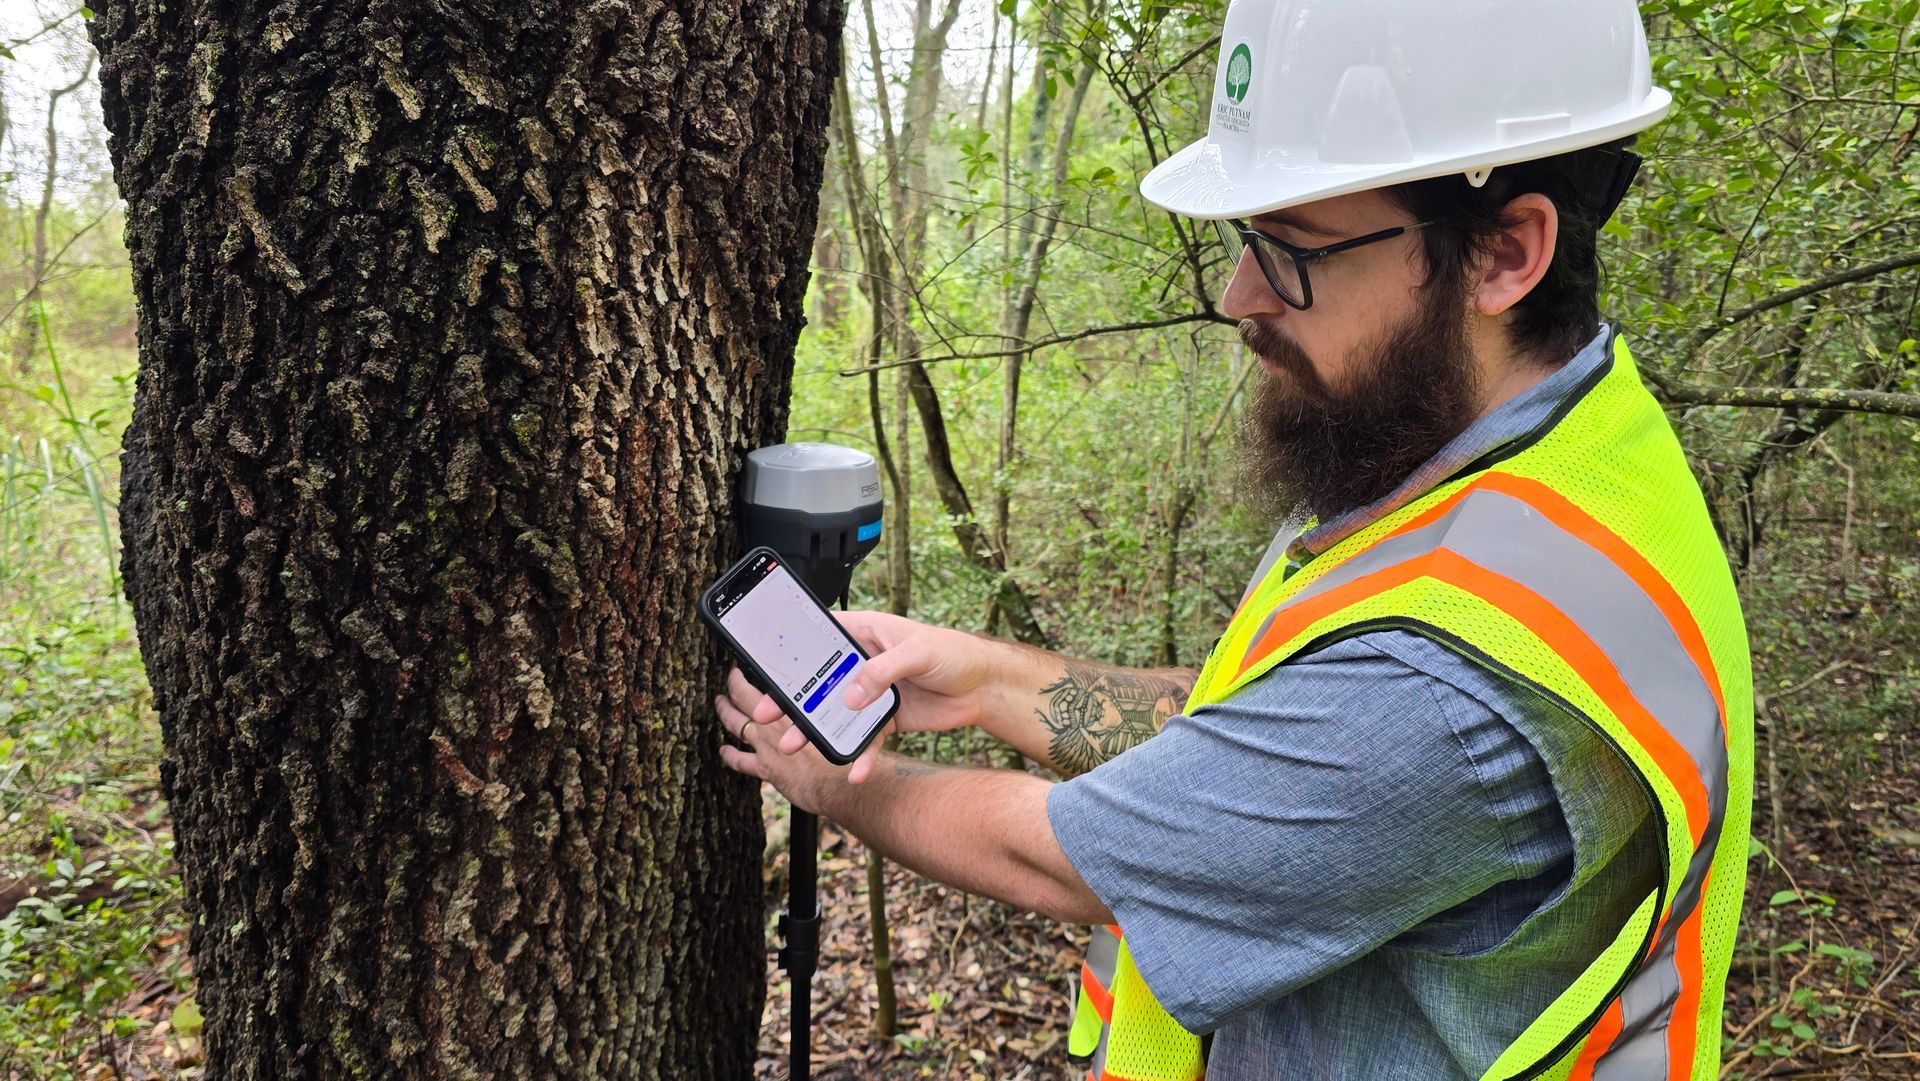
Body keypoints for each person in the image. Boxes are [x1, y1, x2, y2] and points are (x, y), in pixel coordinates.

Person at [712, 1, 1754, 1077]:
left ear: (1504, 254)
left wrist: (838, 783)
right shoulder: (1542, 453)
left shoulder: (1451, 684)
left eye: (1293, 249)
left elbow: (1072, 861)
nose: (1238, 294)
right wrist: (987, 682)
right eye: (1248, 241)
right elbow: (1247, 746)